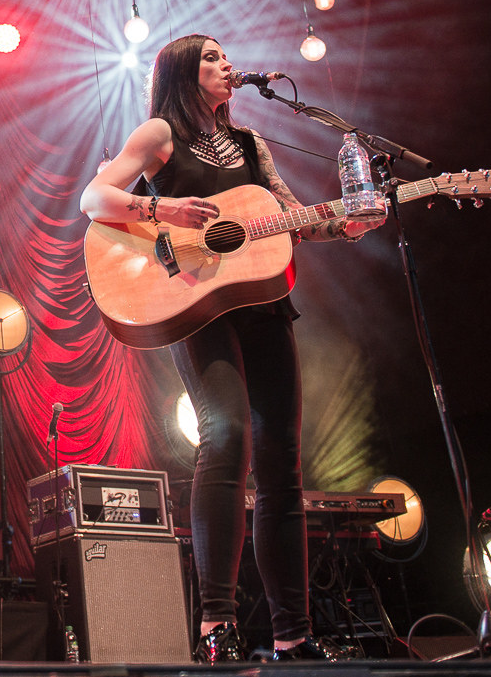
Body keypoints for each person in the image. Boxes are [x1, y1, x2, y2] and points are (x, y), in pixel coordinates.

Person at [79, 33, 385, 663]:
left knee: (283, 460)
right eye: (212, 57)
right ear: (184, 72)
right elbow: (94, 199)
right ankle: (216, 623)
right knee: (225, 439)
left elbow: (292, 216)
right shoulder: (160, 133)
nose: (227, 65)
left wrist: (346, 224)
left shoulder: (251, 146)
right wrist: (162, 210)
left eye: (225, 56)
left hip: (264, 304)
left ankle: (292, 632)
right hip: (195, 303)